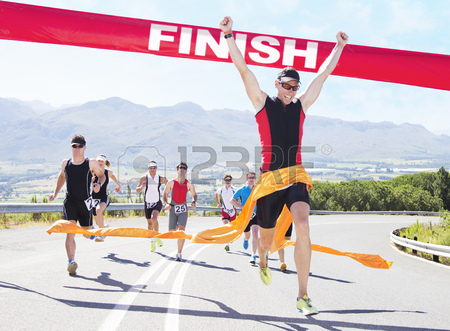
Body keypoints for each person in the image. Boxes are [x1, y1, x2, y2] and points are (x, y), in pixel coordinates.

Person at [220, 16, 348, 315]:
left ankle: (303, 295)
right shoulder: (263, 103)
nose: (291, 90)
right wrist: (228, 35)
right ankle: (262, 258)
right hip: (269, 180)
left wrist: (338, 46)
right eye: (286, 85)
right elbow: (244, 70)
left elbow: (324, 73)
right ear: (277, 84)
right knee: (265, 240)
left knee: (302, 224)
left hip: (296, 175)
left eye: (295, 86)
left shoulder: (302, 106)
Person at [49, 135, 105, 276]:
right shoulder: (65, 163)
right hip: (70, 202)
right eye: (74, 146)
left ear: (84, 147)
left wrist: (98, 184)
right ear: (71, 147)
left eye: (80, 146)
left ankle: (91, 232)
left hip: (85, 203)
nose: (77, 148)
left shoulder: (90, 163)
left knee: (86, 234)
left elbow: (101, 175)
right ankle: (71, 262)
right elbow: (62, 176)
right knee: (70, 231)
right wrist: (55, 193)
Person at [162, 162, 197, 261]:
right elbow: (164, 194)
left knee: (181, 231)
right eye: (180, 168)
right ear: (177, 170)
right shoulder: (171, 183)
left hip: (183, 209)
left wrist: (194, 201)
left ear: (186, 171)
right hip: (173, 208)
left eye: (184, 168)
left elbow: (194, 195)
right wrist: (166, 204)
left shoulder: (189, 184)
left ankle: (179, 253)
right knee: (171, 232)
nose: (182, 169)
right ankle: (176, 225)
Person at [136, 161, 168, 252]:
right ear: (148, 169)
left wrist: (168, 195)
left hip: (157, 202)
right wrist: (142, 186)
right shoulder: (144, 178)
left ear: (156, 168)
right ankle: (152, 241)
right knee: (150, 224)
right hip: (148, 203)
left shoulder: (161, 178)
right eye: (150, 168)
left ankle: (157, 236)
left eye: (154, 167)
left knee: (154, 218)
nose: (152, 169)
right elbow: (137, 190)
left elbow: (169, 186)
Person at [91, 154, 121, 242]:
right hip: (93, 199)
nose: (100, 163)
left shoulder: (108, 172)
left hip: (104, 197)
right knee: (97, 222)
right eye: (98, 161)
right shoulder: (92, 172)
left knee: (98, 210)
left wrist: (118, 185)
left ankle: (101, 235)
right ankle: (104, 228)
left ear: (104, 163)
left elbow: (112, 176)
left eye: (102, 161)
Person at [230, 171, 258, 264]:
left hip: (255, 214)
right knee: (247, 235)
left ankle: (253, 255)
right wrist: (241, 207)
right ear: (247, 179)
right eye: (250, 177)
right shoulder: (242, 189)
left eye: (253, 178)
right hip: (245, 215)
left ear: (255, 179)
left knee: (255, 233)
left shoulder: (257, 188)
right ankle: (245, 239)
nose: (251, 179)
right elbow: (232, 200)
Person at [215, 174, 237, 251]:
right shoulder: (221, 189)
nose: (227, 182)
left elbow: (239, 196)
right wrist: (219, 203)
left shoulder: (234, 189)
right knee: (226, 224)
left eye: (229, 180)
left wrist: (237, 201)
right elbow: (216, 194)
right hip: (225, 210)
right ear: (224, 181)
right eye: (226, 180)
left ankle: (230, 238)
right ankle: (226, 243)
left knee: (231, 227)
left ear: (231, 181)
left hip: (233, 210)